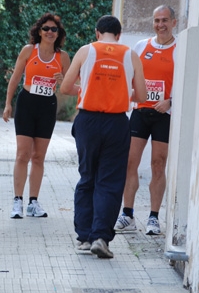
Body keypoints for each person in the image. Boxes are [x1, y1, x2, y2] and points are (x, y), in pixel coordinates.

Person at [60, 15, 146, 258]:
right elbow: (140, 94)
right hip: (117, 123)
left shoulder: (86, 51)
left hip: (87, 121)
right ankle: (100, 237)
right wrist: (119, 90)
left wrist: (87, 88)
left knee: (87, 177)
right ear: (119, 35)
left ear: (97, 33)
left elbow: (66, 88)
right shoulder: (131, 55)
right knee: (109, 181)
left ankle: (84, 238)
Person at [114, 5, 177, 235]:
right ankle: (127, 214)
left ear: (174, 22)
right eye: (157, 20)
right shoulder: (141, 46)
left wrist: (170, 101)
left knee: (158, 164)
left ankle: (153, 217)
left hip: (163, 115)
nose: (161, 24)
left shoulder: (179, 49)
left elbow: (184, 83)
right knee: (130, 162)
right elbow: (128, 76)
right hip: (140, 113)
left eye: (165, 20)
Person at [3, 13, 70, 219]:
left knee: (38, 157)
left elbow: (70, 87)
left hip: (47, 105)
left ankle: (33, 202)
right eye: (46, 29)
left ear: (58, 34)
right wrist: (7, 105)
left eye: (54, 29)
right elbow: (14, 79)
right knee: (23, 154)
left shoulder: (63, 57)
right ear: (39, 31)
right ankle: (17, 202)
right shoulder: (29, 51)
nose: (50, 32)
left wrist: (62, 80)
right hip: (27, 103)